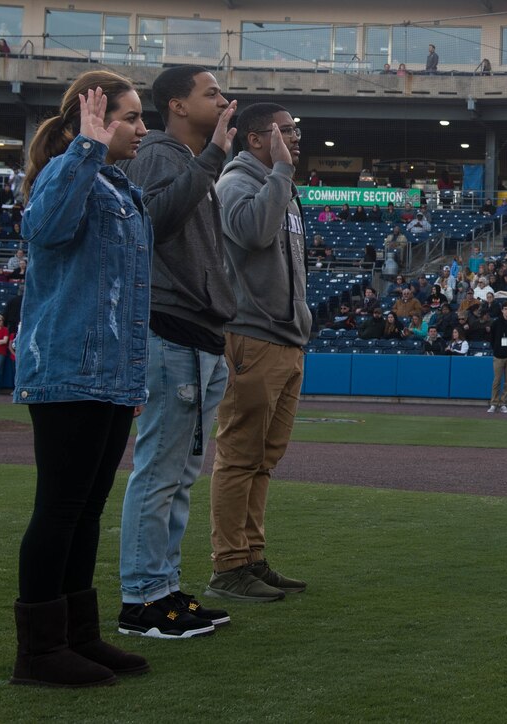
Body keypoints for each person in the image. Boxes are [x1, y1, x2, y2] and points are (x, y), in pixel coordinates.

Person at [13, 71, 151, 687]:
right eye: (130, 116)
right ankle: (39, 654)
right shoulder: (68, 173)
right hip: (68, 367)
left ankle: (77, 635)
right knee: (61, 508)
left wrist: (133, 377)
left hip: (110, 372)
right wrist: (87, 147)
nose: (142, 128)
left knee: (87, 508)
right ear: (90, 120)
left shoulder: (120, 187)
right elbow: (43, 230)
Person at [117, 65, 237, 638]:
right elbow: (156, 221)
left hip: (197, 333)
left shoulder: (188, 162)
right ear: (178, 105)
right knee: (161, 471)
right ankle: (141, 598)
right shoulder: (164, 154)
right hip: (170, 331)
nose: (223, 99)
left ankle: (162, 589)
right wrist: (212, 156)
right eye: (210, 92)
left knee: (179, 474)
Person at [207, 102, 312, 602]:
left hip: (286, 339)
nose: (296, 138)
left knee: (263, 460)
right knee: (239, 456)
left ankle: (251, 556)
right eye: (286, 131)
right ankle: (229, 566)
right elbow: (252, 233)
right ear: (255, 138)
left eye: (295, 130)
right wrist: (282, 174)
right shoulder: (236, 182)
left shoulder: (278, 183)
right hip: (252, 337)